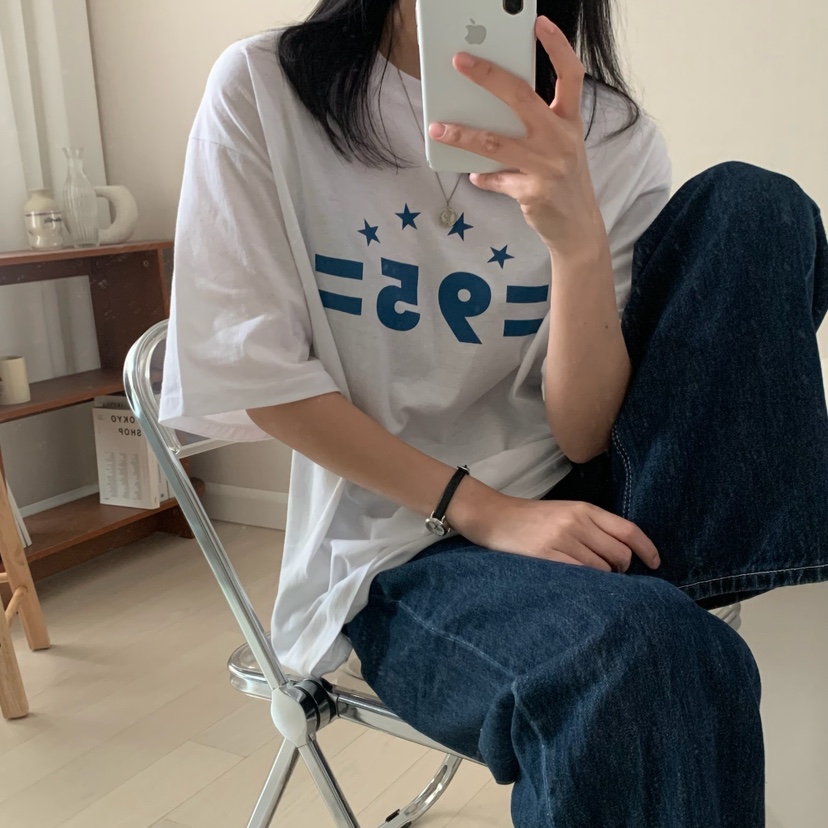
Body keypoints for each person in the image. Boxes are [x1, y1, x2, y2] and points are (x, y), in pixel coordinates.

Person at [160, 0, 828, 824]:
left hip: (599, 500)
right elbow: (260, 377)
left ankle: (697, 591)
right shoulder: (267, 91)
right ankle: (669, 622)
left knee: (757, 204)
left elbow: (584, 433)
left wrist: (576, 242)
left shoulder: (607, 135)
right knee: (641, 656)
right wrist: (487, 510)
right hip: (406, 543)